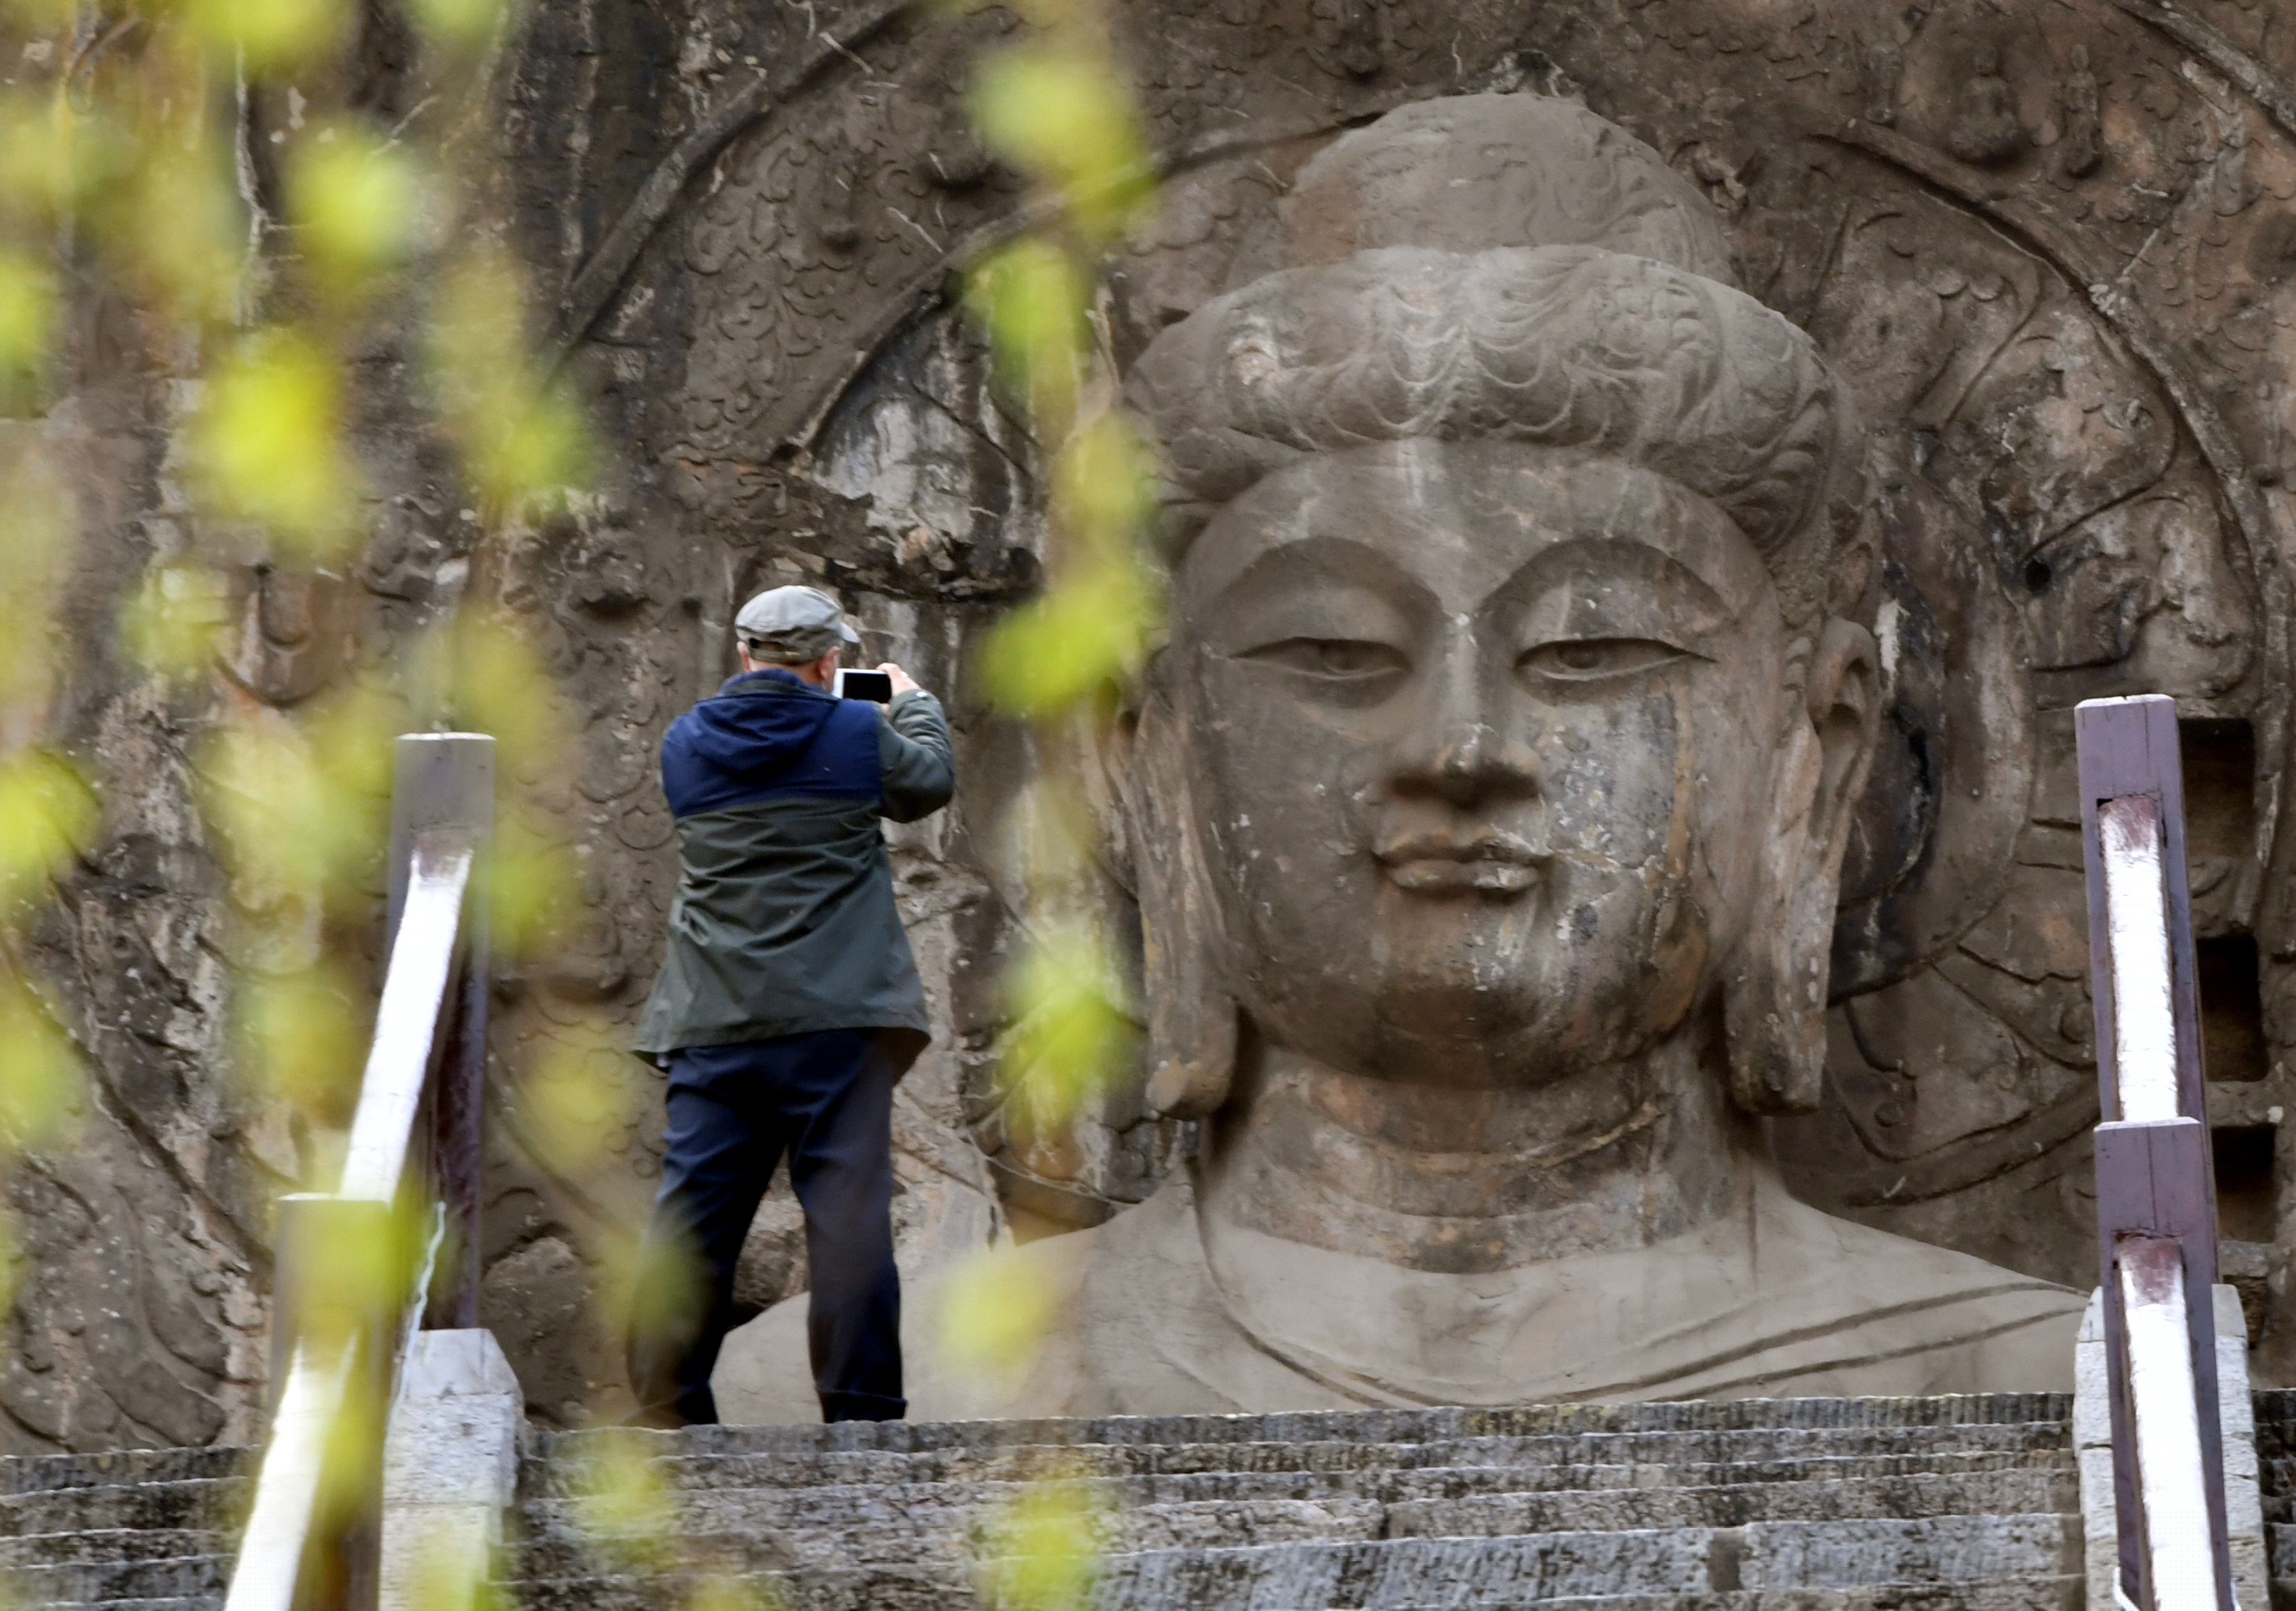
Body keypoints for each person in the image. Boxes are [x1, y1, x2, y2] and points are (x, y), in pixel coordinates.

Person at [626, 583, 954, 1426]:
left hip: (713, 1020)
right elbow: (929, 783)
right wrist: (911, 705)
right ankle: (861, 1411)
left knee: (693, 1223)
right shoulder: (856, 731)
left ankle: (667, 1410)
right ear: (828, 660)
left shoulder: (685, 743)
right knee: (846, 1220)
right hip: (837, 1024)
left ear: (743, 655)